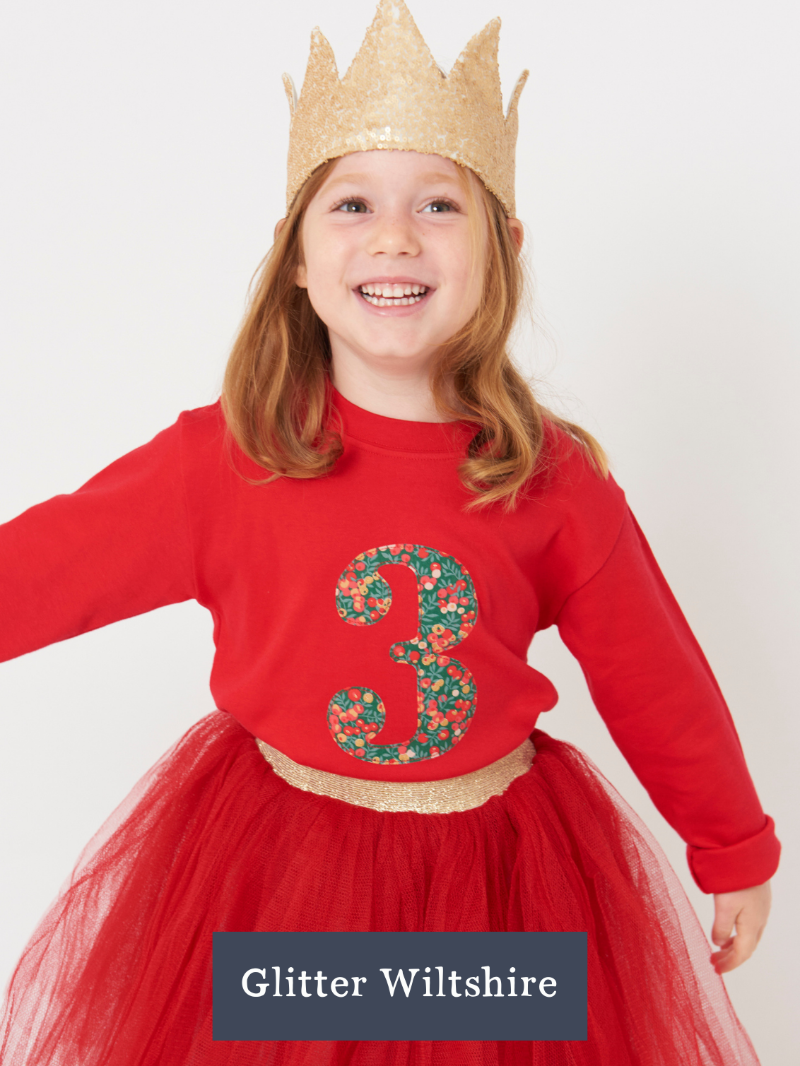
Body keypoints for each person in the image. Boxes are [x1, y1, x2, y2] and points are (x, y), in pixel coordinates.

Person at [0, 2, 779, 1064]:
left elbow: (654, 672)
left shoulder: (549, 481)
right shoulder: (229, 458)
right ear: (295, 258)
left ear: (501, 246)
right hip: (279, 878)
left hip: (503, 884)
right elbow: (48, 566)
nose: (394, 236)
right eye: (352, 203)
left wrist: (729, 842)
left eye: (438, 206)